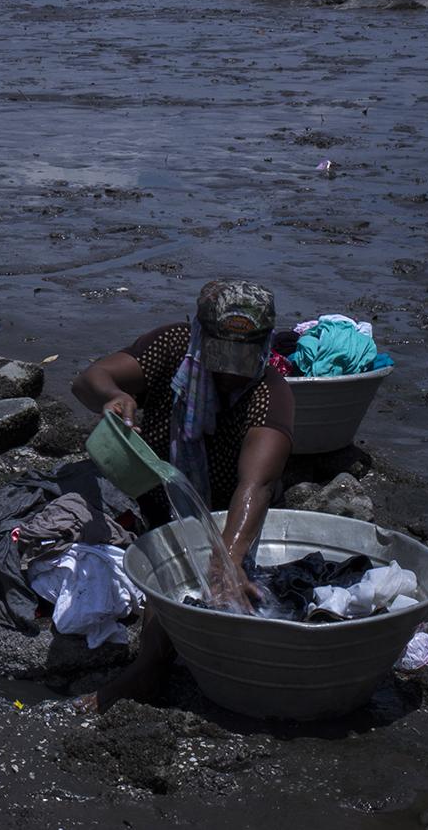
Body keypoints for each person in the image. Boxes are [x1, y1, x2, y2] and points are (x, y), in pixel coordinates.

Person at [67, 278, 293, 712]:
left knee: (177, 572)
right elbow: (87, 380)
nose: (229, 371)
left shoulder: (270, 393)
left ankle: (148, 667)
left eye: (242, 357)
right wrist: (114, 396)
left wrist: (225, 560)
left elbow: (257, 485)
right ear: (199, 335)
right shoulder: (173, 348)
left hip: (219, 512)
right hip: (150, 486)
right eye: (220, 353)